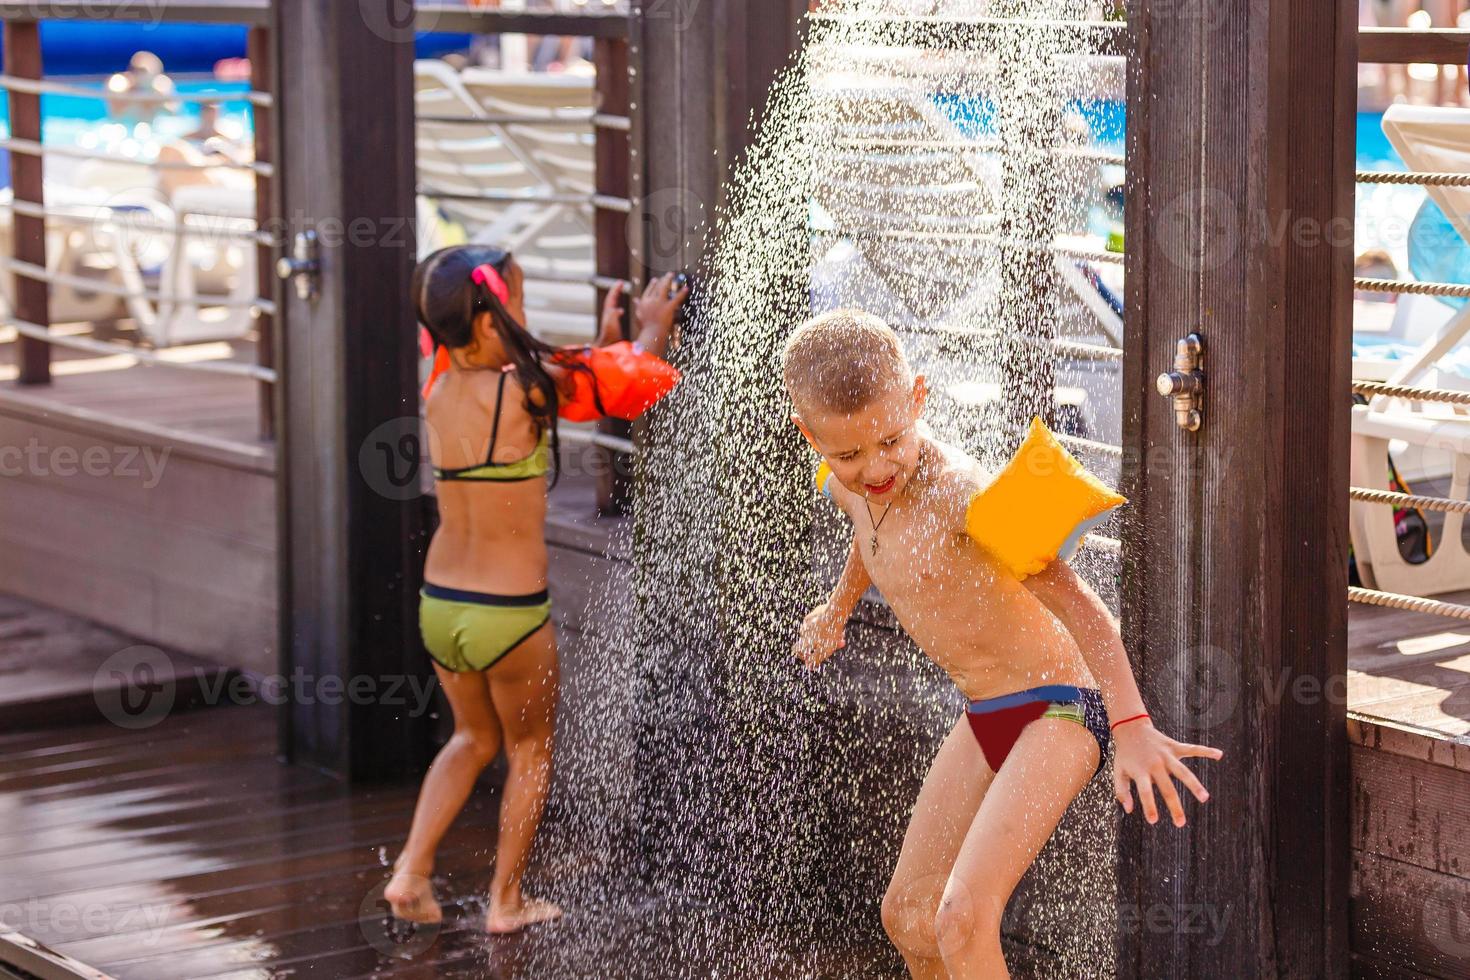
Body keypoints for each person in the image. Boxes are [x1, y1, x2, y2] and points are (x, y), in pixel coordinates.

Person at [785, 310, 1222, 978]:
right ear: (809, 435)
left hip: (1062, 706)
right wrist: (836, 608)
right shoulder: (852, 488)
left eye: (892, 440)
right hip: (986, 714)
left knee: (962, 918)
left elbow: (1083, 606)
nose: (875, 467)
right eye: (848, 455)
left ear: (918, 399)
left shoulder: (965, 497)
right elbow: (869, 543)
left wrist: (1132, 726)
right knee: (907, 915)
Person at [385, 244, 688, 932]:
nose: (522, 314)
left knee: (469, 737)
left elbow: (569, 382)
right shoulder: (524, 388)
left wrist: (601, 344)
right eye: (516, 301)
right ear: (491, 321)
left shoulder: (439, 382)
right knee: (530, 750)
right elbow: (628, 384)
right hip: (509, 614)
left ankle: (410, 870)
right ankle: (506, 901)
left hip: (443, 606)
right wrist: (648, 327)